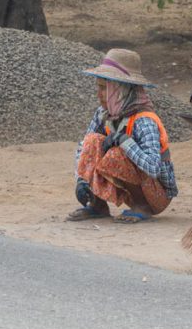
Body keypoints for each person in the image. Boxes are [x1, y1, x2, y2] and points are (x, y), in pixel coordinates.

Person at [69, 49, 178, 224]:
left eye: (104, 88)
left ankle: (142, 207)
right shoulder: (103, 114)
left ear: (122, 89)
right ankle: (97, 206)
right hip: (133, 183)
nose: (99, 94)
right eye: (98, 87)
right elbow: (84, 149)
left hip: (156, 194)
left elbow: (153, 168)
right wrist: (82, 180)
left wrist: (125, 141)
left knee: (116, 155)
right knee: (92, 141)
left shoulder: (144, 120)